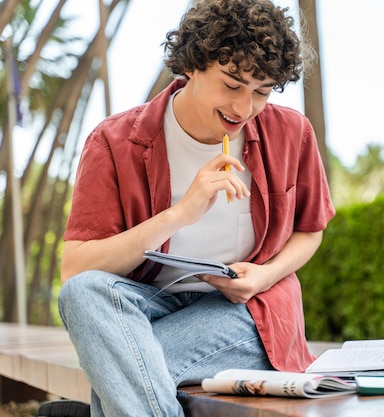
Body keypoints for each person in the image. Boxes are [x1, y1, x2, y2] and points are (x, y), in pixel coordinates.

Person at [57, 0, 335, 416]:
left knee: (123, 372)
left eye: (262, 91)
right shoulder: (114, 142)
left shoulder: (291, 133)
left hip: (247, 313)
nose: (244, 108)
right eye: (232, 84)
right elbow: (76, 269)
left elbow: (311, 229)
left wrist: (264, 276)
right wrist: (179, 213)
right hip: (146, 308)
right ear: (193, 64)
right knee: (83, 294)